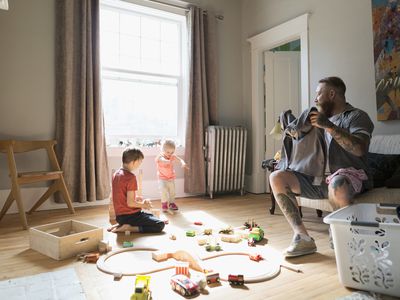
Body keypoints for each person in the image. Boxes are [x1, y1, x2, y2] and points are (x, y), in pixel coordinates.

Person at [269, 76, 374, 257]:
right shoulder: (315, 122)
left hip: (346, 179)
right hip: (316, 180)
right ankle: (303, 238)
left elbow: (359, 149)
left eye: (318, 94)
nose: (315, 99)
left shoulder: (357, 116)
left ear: (331, 94)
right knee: (276, 176)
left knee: (337, 182)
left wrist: (330, 126)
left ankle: (342, 236)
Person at [108, 147, 165, 233]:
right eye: (140, 162)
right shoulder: (130, 177)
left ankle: (121, 224)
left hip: (120, 217)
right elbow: (130, 203)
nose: (140, 164)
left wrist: (137, 198)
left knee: (149, 215)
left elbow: (121, 195)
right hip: (130, 216)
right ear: (134, 162)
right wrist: (144, 205)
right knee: (160, 224)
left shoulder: (116, 174)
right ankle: (129, 228)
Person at [155, 140, 188, 212]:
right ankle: (164, 203)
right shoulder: (160, 157)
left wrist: (183, 163)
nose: (170, 154)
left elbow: (180, 160)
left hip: (171, 178)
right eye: (168, 152)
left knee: (172, 192)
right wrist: (168, 161)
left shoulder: (172, 156)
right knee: (163, 191)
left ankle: (172, 203)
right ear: (163, 150)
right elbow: (163, 160)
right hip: (162, 178)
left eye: (172, 152)